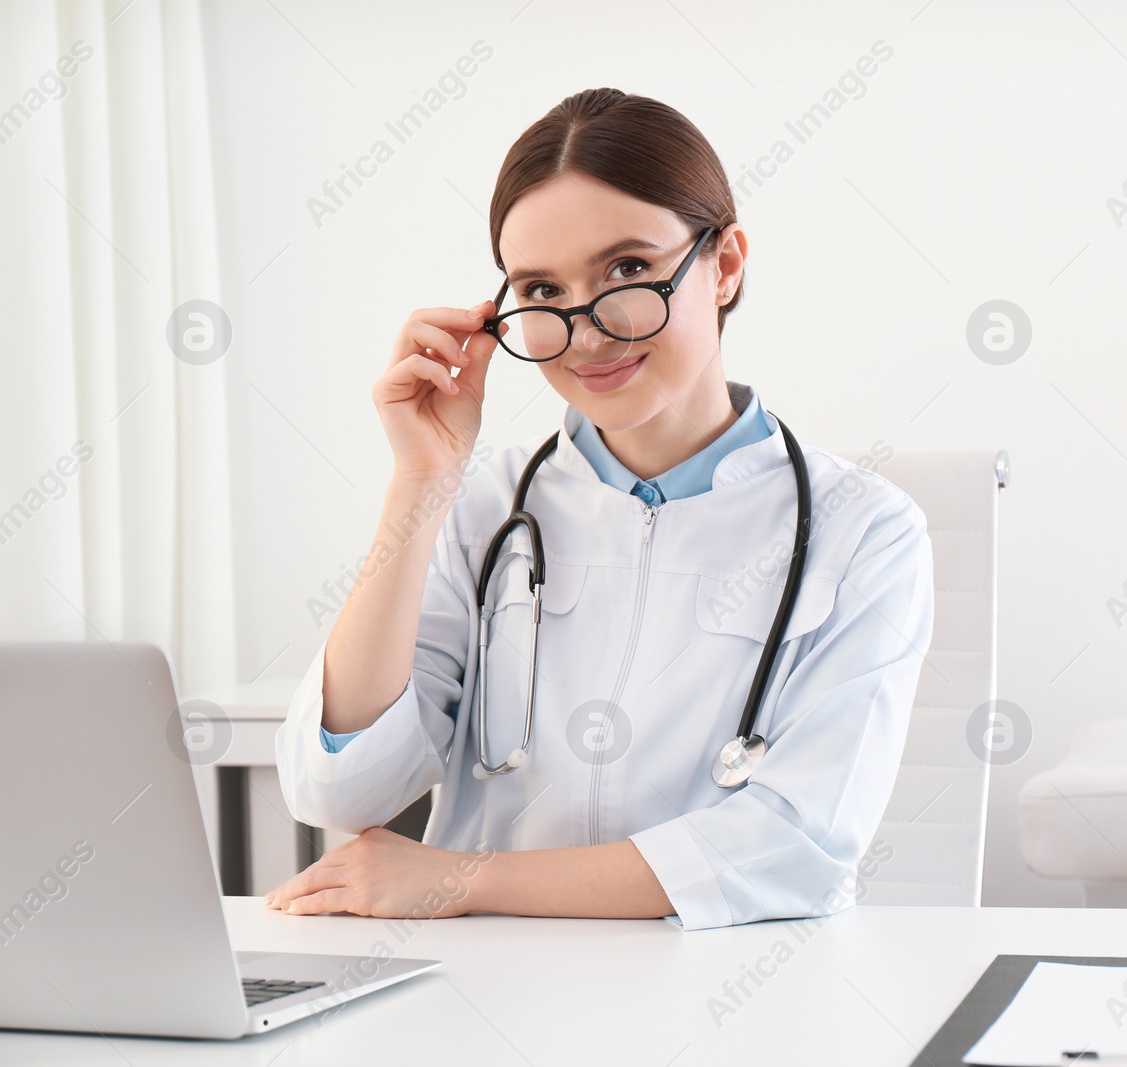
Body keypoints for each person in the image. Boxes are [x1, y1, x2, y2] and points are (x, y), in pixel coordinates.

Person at [267, 88, 934, 931]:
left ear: (724, 265)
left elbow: (793, 849)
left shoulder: (863, 531)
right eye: (542, 290)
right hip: (483, 994)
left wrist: (461, 878)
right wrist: (420, 485)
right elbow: (338, 787)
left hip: (716, 998)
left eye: (626, 271)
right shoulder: (478, 509)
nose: (584, 333)